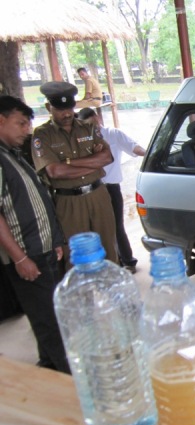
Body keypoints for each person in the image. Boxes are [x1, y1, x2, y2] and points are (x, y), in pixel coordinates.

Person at [0, 95, 70, 374]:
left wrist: (54, 241)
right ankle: (68, 377)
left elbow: (36, 201)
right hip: (27, 254)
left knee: (50, 313)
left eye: (28, 124)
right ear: (1, 120)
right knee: (49, 319)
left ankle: (49, 364)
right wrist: (19, 258)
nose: (26, 130)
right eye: (20, 123)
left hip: (43, 249)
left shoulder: (13, 155)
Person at [31, 81, 118, 268]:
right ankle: (83, 296)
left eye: (69, 108)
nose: (67, 114)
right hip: (68, 202)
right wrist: (93, 163)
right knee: (77, 257)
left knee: (109, 249)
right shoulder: (43, 135)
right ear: (49, 107)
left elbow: (107, 157)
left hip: (98, 195)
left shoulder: (87, 127)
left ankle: (112, 293)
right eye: (60, 109)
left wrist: (69, 163)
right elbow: (55, 171)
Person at [77, 107, 146, 273]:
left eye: (95, 123)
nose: (95, 128)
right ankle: (110, 263)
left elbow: (134, 148)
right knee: (96, 228)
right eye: (89, 126)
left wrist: (151, 154)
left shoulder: (113, 134)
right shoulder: (82, 140)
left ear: (99, 117)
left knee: (117, 226)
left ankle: (128, 261)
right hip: (91, 189)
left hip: (111, 188)